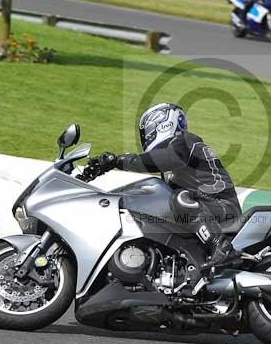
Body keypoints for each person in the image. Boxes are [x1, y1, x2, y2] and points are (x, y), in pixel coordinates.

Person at [86, 103, 242, 269]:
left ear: (162, 123)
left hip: (222, 207)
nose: (146, 136)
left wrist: (118, 161)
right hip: (205, 208)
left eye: (148, 130)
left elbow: (161, 159)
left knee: (180, 199)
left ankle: (221, 247)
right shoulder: (172, 162)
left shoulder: (185, 141)